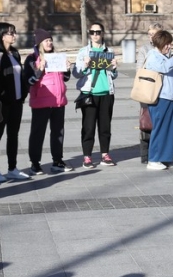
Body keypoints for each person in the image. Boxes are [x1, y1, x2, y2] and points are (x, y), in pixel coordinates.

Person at [24, 29, 72, 175]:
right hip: (41, 102)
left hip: (58, 101)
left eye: (51, 40)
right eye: (46, 40)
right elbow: (29, 81)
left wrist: (67, 70)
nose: (49, 42)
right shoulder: (32, 59)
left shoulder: (56, 57)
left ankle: (57, 161)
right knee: (38, 133)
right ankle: (35, 163)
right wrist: (39, 70)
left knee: (58, 133)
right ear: (39, 43)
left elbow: (64, 79)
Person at [0, 22, 30, 182]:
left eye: (14, 32)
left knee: (13, 135)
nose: (14, 36)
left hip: (17, 102)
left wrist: (23, 94)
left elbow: (20, 76)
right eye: (11, 33)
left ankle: (12, 168)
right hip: (1, 103)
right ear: (1, 35)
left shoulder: (15, 53)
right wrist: (2, 95)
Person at [73, 23, 120, 169]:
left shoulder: (109, 51)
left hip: (106, 93)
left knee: (105, 126)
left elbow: (114, 75)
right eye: (92, 32)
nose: (95, 35)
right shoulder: (83, 52)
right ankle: (87, 156)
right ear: (89, 34)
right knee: (88, 126)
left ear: (102, 34)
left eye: (98, 32)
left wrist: (113, 68)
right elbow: (76, 73)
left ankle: (105, 154)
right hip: (89, 93)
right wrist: (85, 66)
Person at [145, 30, 173, 170]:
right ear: (160, 43)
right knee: (159, 128)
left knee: (169, 129)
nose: (168, 47)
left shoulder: (164, 56)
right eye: (166, 44)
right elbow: (163, 67)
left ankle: (165, 157)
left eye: (170, 44)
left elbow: (171, 67)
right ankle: (153, 159)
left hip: (171, 96)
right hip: (160, 97)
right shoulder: (153, 56)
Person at [137, 23, 163, 164]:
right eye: (149, 34)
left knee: (160, 123)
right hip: (147, 90)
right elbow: (139, 70)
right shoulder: (145, 49)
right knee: (146, 122)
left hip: (162, 91)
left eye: (154, 34)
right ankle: (145, 155)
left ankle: (158, 152)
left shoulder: (167, 48)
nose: (151, 36)